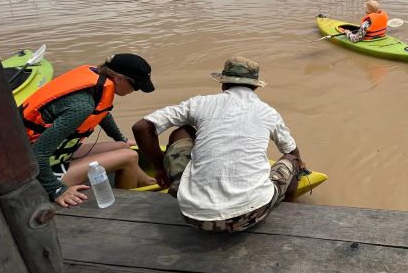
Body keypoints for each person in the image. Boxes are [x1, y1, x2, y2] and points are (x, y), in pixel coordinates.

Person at [131, 57, 304, 234]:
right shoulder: (268, 113)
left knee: (181, 131)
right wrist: (300, 163)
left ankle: (184, 185)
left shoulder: (199, 103)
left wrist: (159, 167)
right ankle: (287, 213)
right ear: (256, 87)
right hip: (250, 214)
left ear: (223, 84)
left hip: (193, 216)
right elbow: (291, 151)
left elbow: (142, 127)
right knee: (292, 160)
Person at [19, 53, 157, 208]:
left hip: (51, 155)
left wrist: (121, 139)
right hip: (31, 171)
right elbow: (38, 155)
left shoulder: (95, 82)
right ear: (119, 78)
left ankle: (148, 182)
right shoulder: (81, 106)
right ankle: (121, 207)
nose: (136, 90)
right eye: (136, 85)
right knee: (130, 157)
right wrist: (57, 190)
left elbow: (102, 113)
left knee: (123, 147)